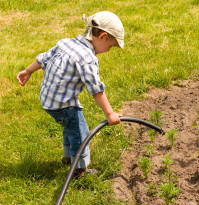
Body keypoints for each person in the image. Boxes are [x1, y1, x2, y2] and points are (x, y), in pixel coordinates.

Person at [17, 11, 124, 177]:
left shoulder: (65, 43)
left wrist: (27, 71)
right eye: (111, 46)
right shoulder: (87, 57)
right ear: (102, 36)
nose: (109, 50)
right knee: (80, 134)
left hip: (48, 100)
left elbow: (43, 58)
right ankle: (79, 170)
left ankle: (67, 157)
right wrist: (110, 114)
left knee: (70, 128)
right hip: (63, 105)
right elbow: (95, 89)